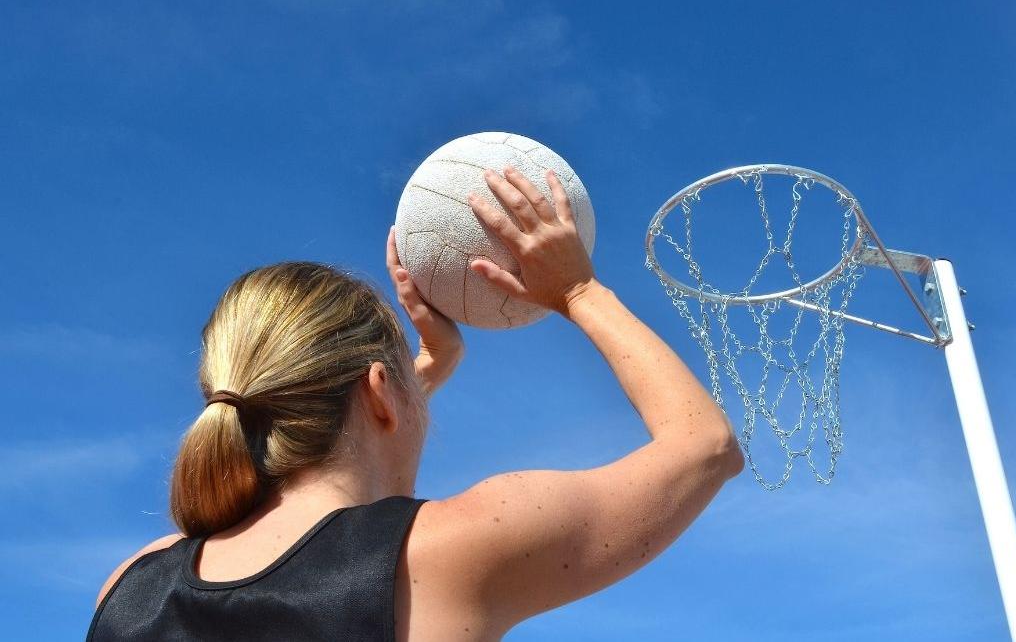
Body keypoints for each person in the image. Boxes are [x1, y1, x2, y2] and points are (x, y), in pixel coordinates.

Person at [87, 165, 744, 641]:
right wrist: (578, 290)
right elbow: (704, 449)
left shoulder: (132, 584)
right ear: (377, 393)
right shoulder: (438, 554)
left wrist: (409, 382)